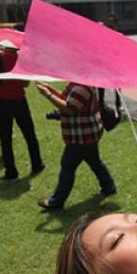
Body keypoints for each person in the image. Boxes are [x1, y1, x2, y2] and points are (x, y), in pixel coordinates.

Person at [36, 81, 116, 210]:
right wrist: (49, 88)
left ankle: (56, 201)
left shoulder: (82, 87)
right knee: (94, 161)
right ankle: (109, 187)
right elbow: (65, 97)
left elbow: (69, 108)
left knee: (67, 165)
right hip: (87, 133)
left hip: (82, 135)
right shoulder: (77, 84)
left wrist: (48, 95)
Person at [0, 42, 45, 180]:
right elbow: (25, 84)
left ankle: (11, 172)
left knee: (5, 139)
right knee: (29, 134)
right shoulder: (24, 60)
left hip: (2, 103)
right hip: (20, 101)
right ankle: (37, 164)